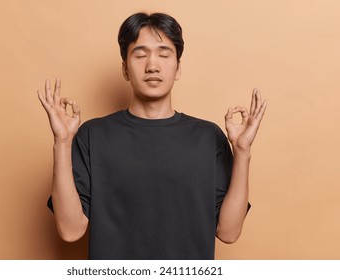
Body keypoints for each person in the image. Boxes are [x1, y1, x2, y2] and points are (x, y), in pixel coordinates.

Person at [37, 12, 267, 260]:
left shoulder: (208, 137)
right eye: (141, 54)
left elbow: (229, 232)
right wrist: (62, 143)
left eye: (164, 54)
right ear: (125, 68)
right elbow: (71, 230)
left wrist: (242, 151)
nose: (152, 65)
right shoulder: (93, 135)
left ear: (178, 67)